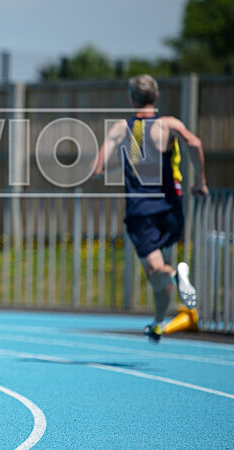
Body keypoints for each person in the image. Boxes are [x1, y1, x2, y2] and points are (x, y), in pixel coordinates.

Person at [94, 74, 208, 343]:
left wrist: (102, 169)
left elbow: (101, 167)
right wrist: (201, 181)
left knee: (158, 270)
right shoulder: (168, 124)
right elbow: (195, 143)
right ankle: (158, 322)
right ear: (156, 97)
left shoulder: (127, 129)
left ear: (132, 99)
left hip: (142, 209)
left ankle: (175, 276)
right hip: (171, 207)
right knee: (157, 273)